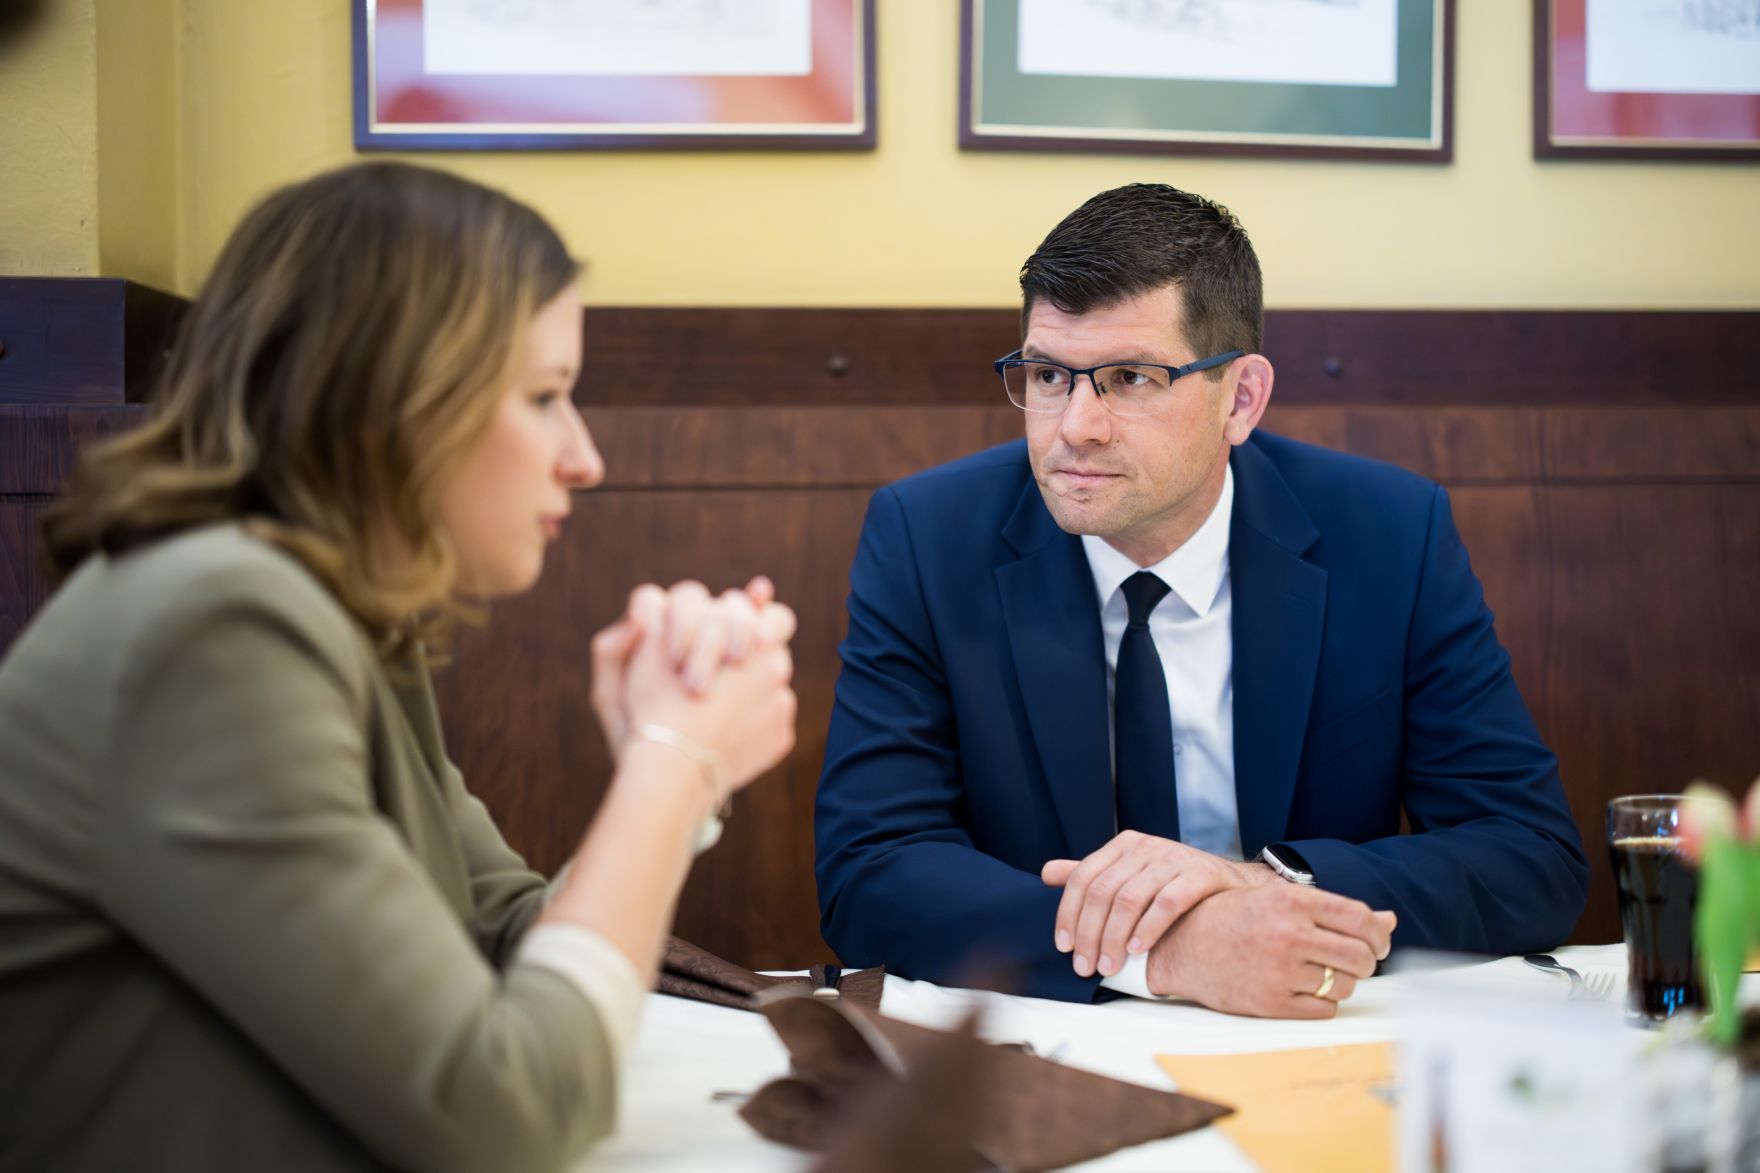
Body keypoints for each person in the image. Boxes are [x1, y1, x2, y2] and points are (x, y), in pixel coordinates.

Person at [0, 162, 798, 1171]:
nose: (583, 456)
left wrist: (677, 777)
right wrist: (671, 763)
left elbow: (502, 935)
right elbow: (502, 1118)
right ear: (393, 405)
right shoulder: (213, 624)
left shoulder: (328, 607)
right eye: (546, 396)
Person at [815, 183, 1589, 1015]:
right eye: (1048, 375)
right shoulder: (927, 537)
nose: (1076, 425)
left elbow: (1531, 856)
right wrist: (1169, 952)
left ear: (1241, 398)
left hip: (1315, 1031)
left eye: (1130, 378)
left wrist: (1262, 883)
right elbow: (871, 867)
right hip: (1054, 1036)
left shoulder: (1390, 533)